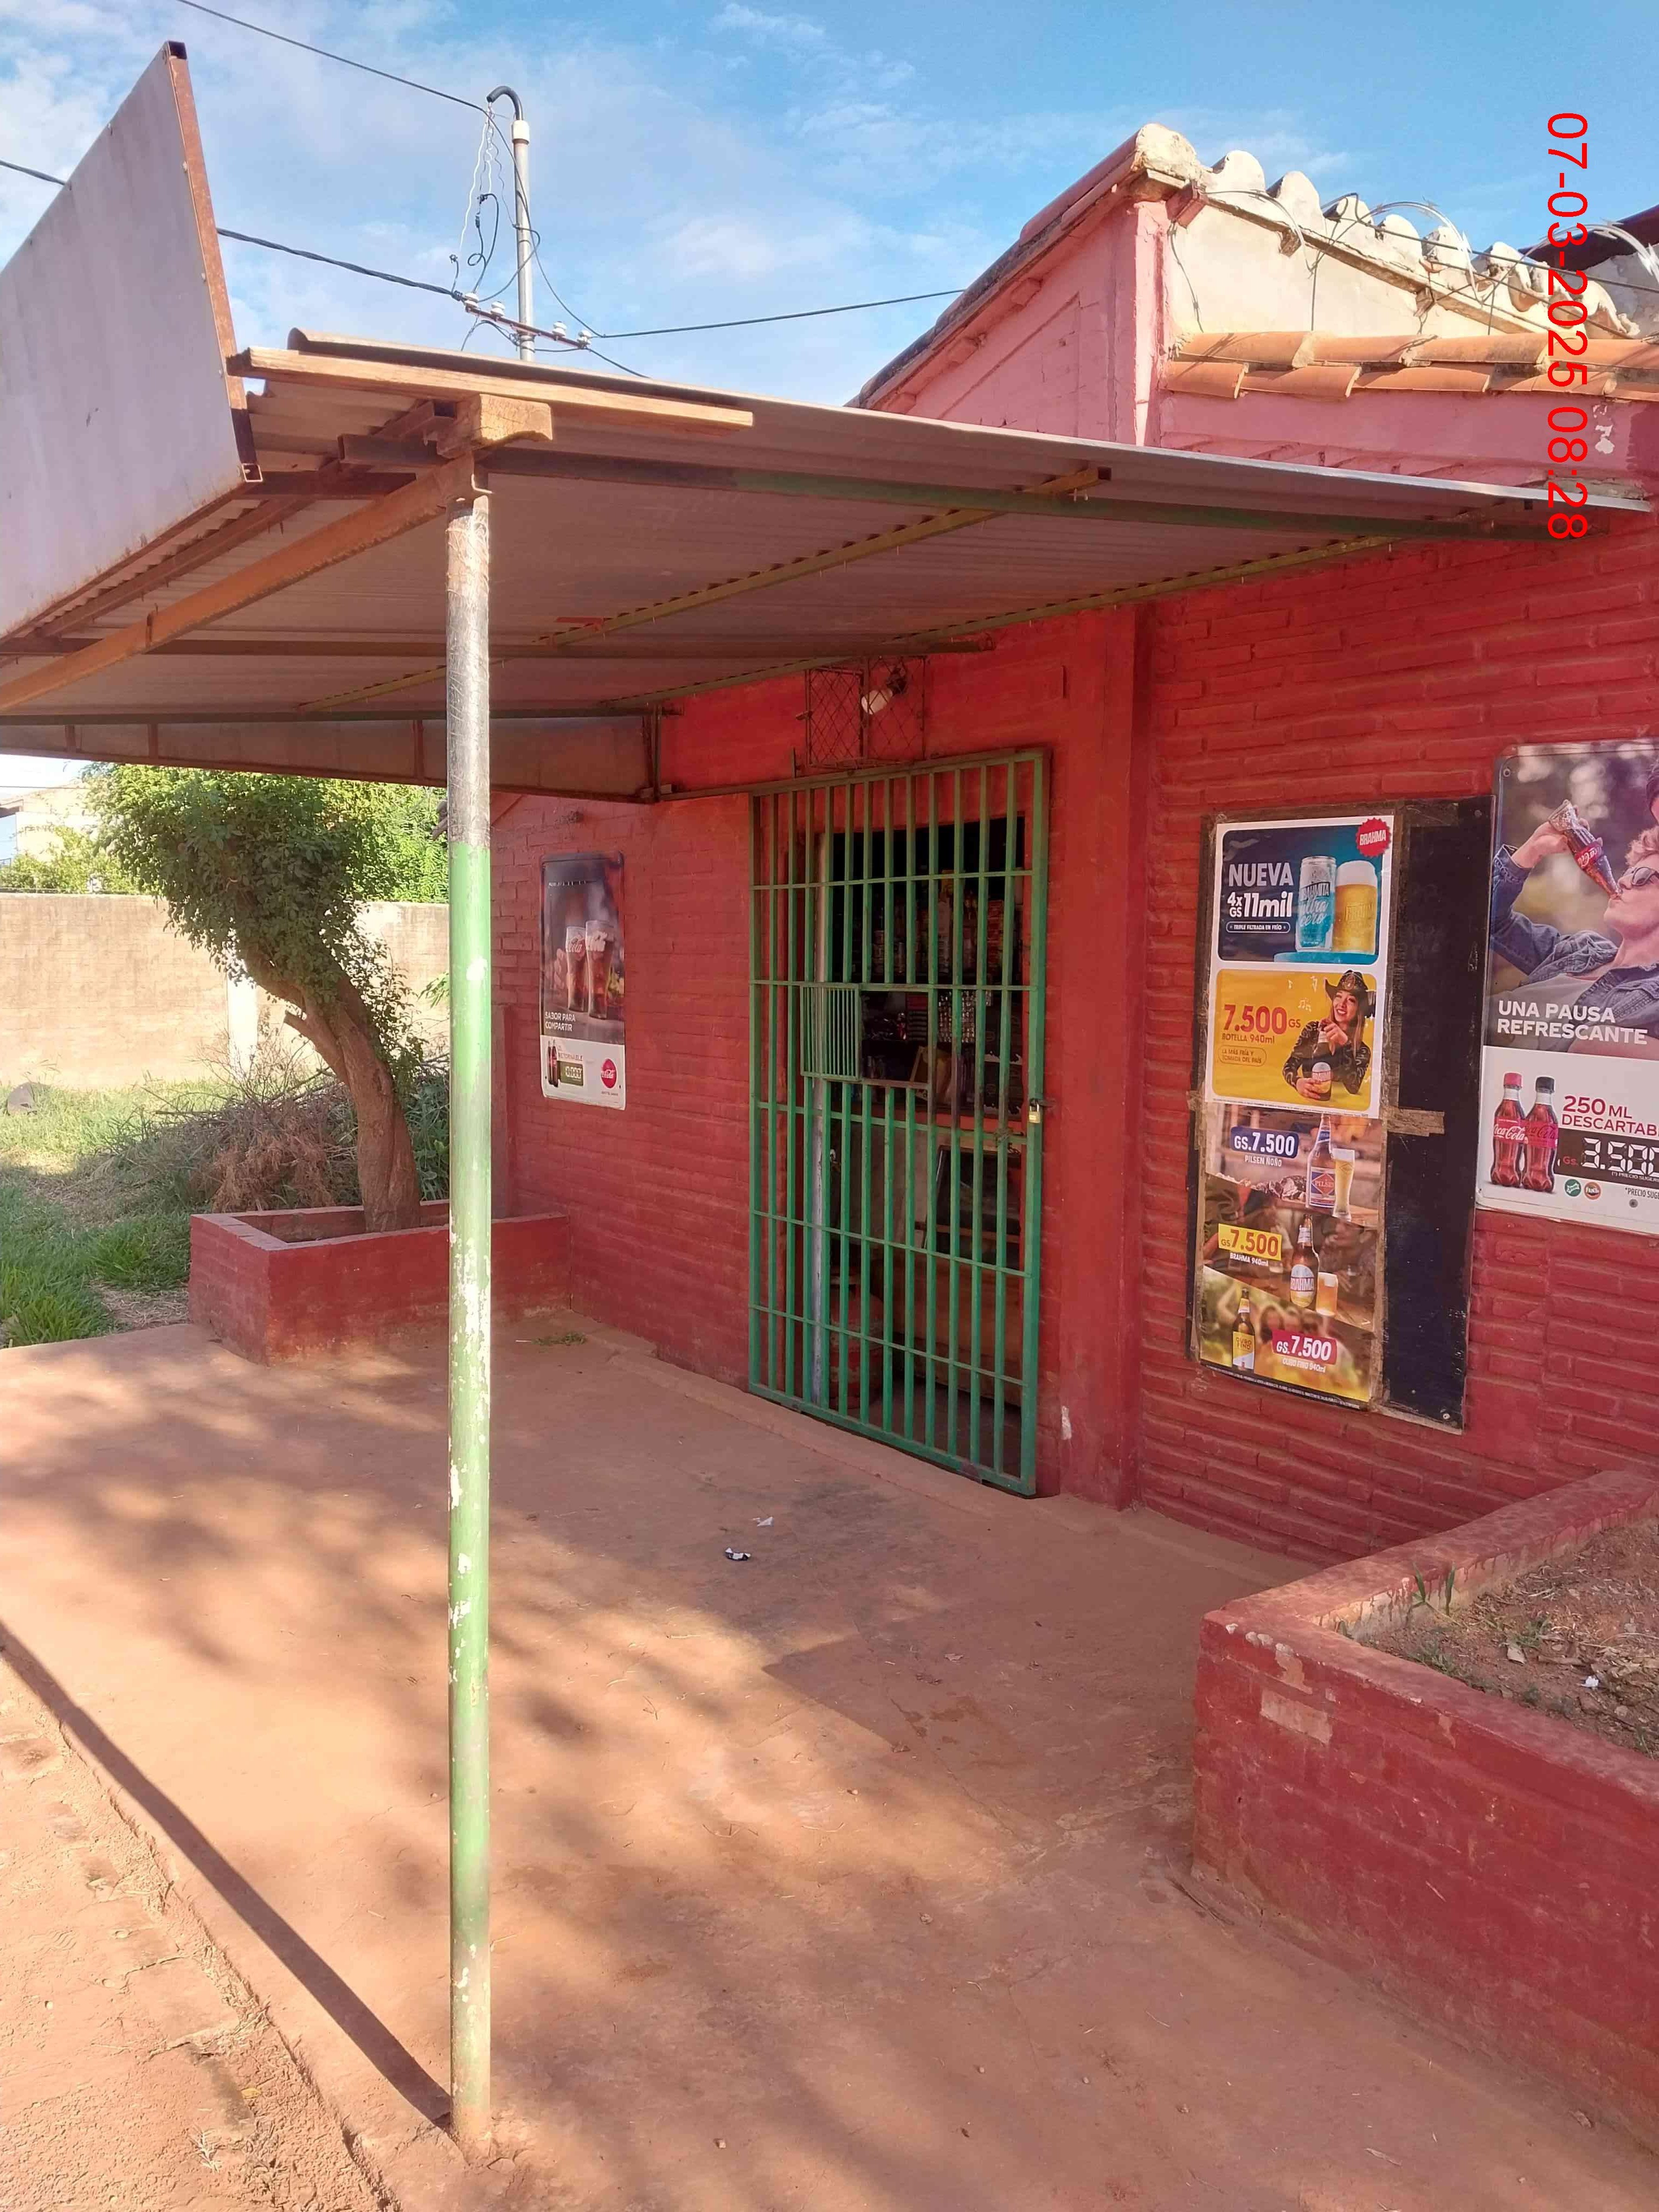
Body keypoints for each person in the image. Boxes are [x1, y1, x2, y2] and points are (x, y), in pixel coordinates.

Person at [1491, 819, 1659, 1056]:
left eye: (1641, 877)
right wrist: (1532, 850)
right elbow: (1491, 920)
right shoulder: (1582, 949)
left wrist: (1596, 1043)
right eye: (1628, 873)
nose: (1622, 881)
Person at [1282, 970, 1373, 1099]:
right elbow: (1289, 1066)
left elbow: (1354, 1087)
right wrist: (1298, 1082)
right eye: (1339, 996)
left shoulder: (1363, 1051)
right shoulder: (1313, 1030)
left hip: (1342, 1106)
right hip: (1307, 1102)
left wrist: (1346, 1043)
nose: (1342, 1004)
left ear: (1359, 1009)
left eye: (1351, 1000)